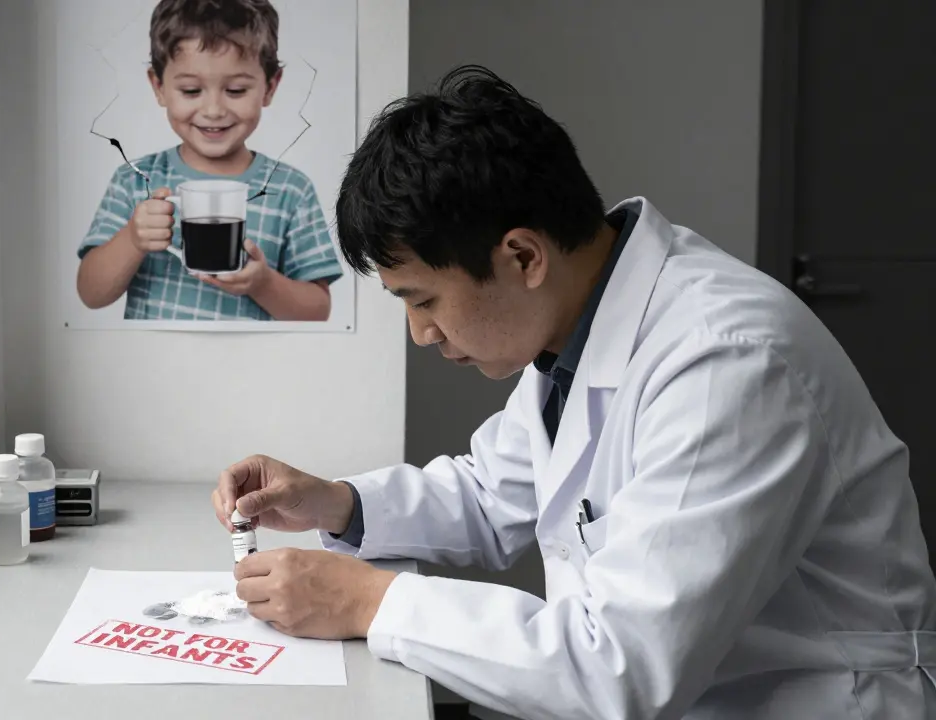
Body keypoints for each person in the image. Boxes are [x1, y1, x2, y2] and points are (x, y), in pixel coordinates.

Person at [212, 65, 936, 719]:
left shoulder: (727, 364)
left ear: (523, 255)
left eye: (424, 300)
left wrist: (370, 601)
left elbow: (622, 669)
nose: (421, 334)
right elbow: (492, 494)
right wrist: (335, 502)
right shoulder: (580, 327)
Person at [75, 0, 343, 322]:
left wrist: (263, 284)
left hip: (254, 357)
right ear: (158, 87)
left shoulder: (290, 189)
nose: (213, 110)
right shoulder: (135, 179)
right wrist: (133, 239)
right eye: (191, 90)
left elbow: (318, 311)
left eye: (236, 90)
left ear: (270, 87)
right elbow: (90, 294)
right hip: (153, 357)